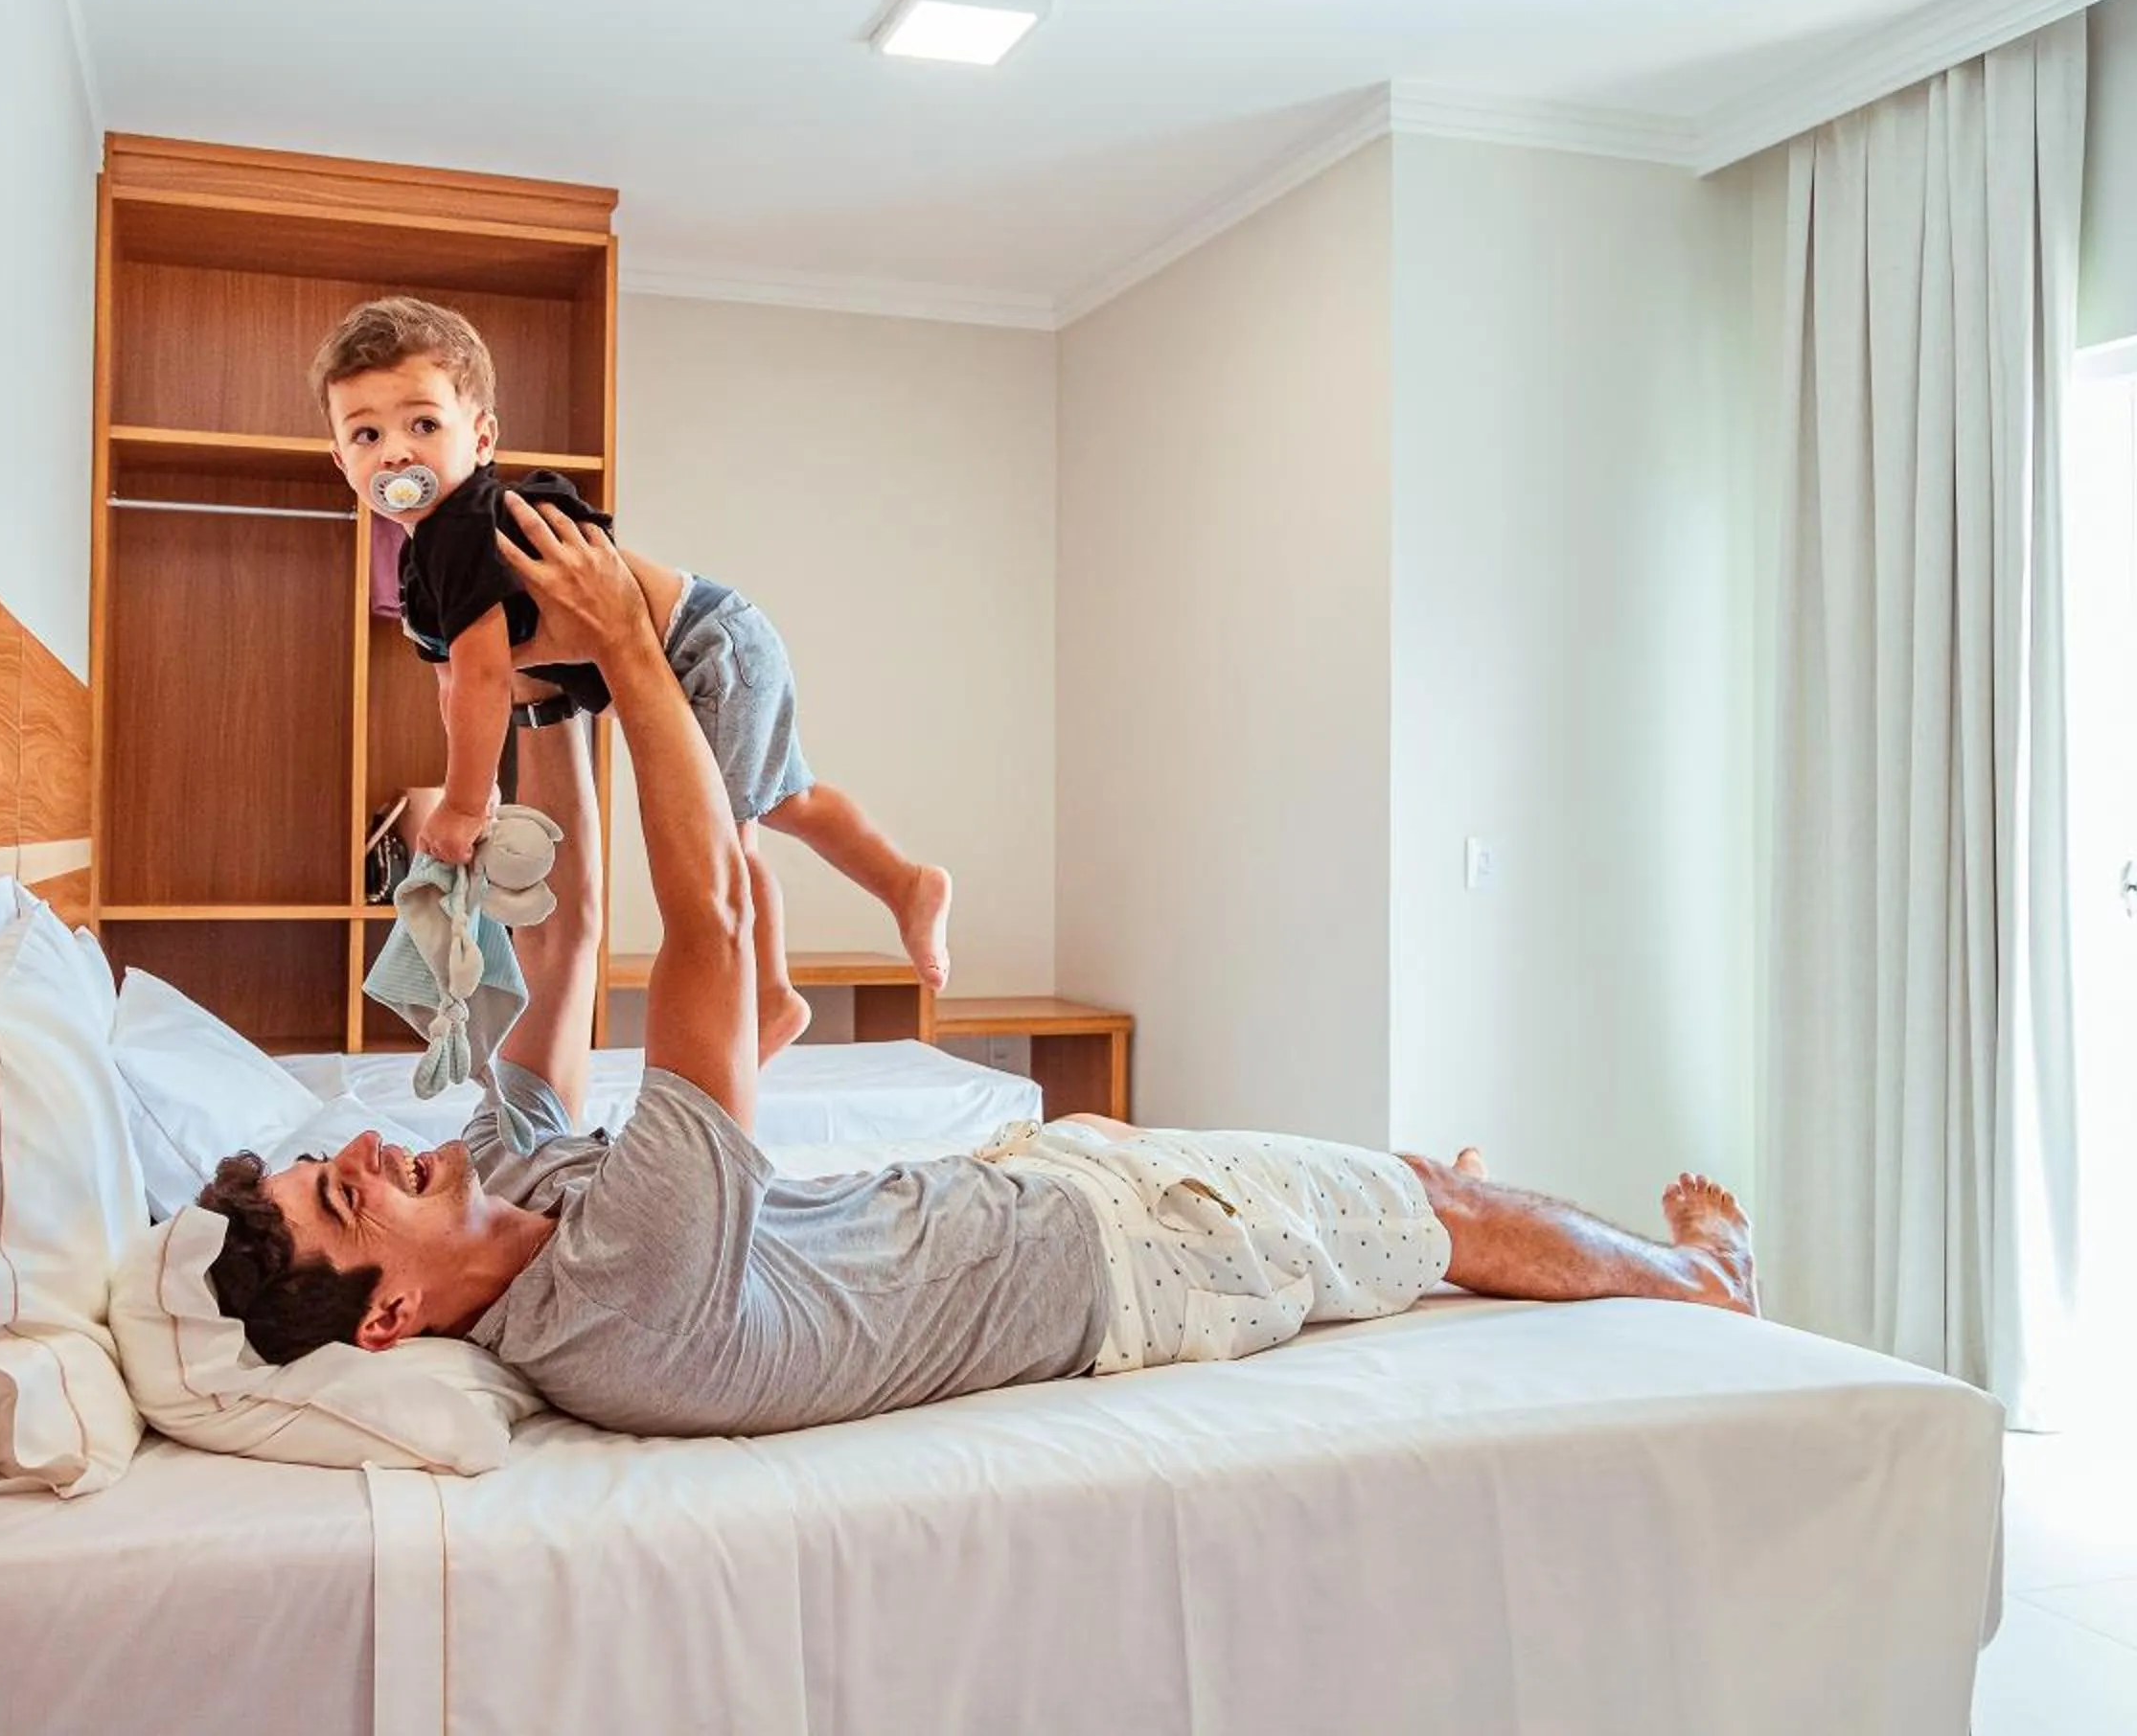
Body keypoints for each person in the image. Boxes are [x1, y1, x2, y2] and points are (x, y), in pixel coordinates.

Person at [198, 493, 1758, 1439]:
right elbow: (720, 935)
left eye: (338, 1158)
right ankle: (1699, 1277)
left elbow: (582, 938)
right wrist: (622, 654)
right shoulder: (618, 1305)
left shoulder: (517, 1187)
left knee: (1411, 1198)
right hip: (1125, 1252)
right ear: (392, 1316)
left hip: (1044, 1182)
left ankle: (1439, 1229)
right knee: (1434, 1197)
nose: (378, 1150)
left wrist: (543, 709)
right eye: (354, 1197)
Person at [311, 295, 952, 1062]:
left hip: (702, 646)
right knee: (786, 804)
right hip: (719, 639)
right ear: (340, 461)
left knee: (727, 836)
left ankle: (777, 991)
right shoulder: (425, 560)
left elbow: (483, 679)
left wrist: (464, 802)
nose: (396, 455)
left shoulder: (463, 529)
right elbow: (457, 686)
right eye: (367, 435)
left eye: (423, 425)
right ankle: (902, 885)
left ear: (479, 437)